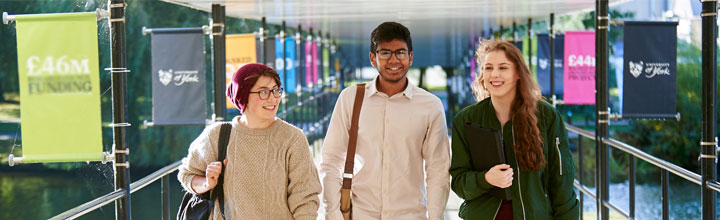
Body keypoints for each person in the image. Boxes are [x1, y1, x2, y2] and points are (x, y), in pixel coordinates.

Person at [320, 21, 451, 220]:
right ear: (373, 58)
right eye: (385, 53)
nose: (393, 60)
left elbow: (438, 171)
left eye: (400, 52)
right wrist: (332, 214)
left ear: (411, 57)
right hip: (361, 214)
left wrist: (435, 217)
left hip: (410, 215)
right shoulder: (351, 99)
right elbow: (331, 161)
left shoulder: (430, 105)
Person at [449, 40, 579, 219]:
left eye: (503, 68)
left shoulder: (546, 116)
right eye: (488, 68)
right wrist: (486, 179)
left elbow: (562, 182)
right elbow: (459, 183)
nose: (494, 74)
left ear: (518, 73)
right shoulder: (466, 120)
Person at [178, 63, 321, 220]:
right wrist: (207, 183)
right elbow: (187, 175)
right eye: (264, 92)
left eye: (276, 90)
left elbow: (305, 200)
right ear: (244, 95)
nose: (273, 98)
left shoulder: (292, 138)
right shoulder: (217, 135)